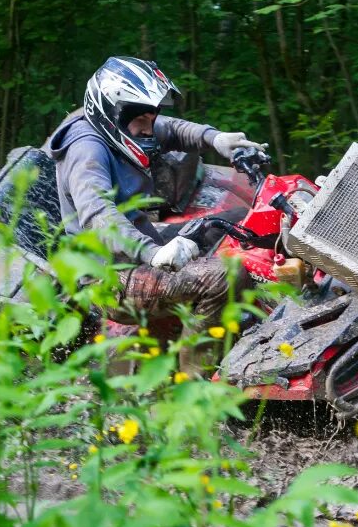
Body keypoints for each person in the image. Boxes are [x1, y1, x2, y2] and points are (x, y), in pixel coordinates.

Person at [46, 56, 262, 372]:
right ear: (112, 115)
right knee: (224, 277)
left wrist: (216, 138)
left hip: (136, 250)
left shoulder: (121, 125)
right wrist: (154, 252)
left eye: (151, 118)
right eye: (142, 122)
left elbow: (171, 128)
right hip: (108, 277)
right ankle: (195, 388)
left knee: (237, 222)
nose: (149, 129)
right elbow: (98, 217)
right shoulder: (86, 150)